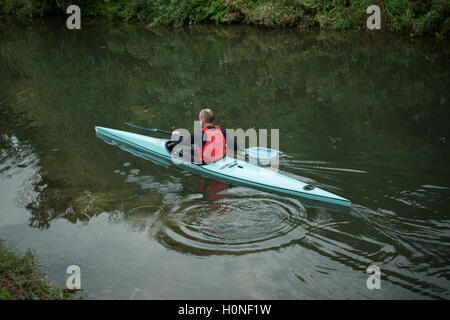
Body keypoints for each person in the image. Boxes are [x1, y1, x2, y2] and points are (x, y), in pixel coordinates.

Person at [167, 108, 239, 164]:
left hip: (205, 162)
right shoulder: (222, 131)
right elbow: (236, 147)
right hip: (221, 158)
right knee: (194, 148)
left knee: (181, 152)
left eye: (199, 118)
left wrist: (175, 135)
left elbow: (182, 143)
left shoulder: (200, 134)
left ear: (203, 120)